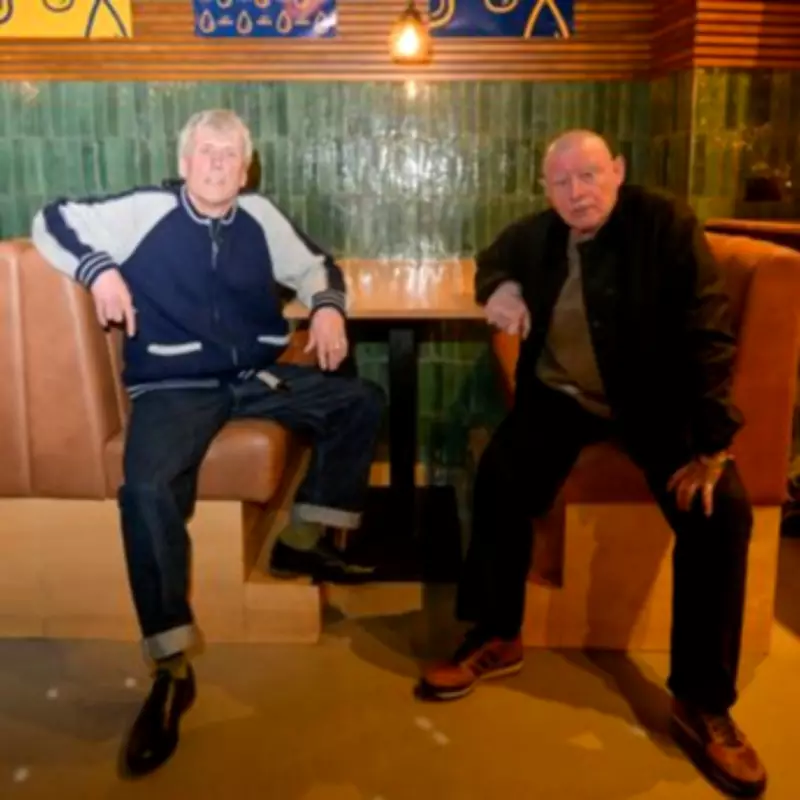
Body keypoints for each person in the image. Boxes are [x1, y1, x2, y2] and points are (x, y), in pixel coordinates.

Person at [31, 109, 384, 777]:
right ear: (184, 162)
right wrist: (101, 271)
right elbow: (52, 219)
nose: (218, 164)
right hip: (174, 384)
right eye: (206, 152)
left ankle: (300, 540)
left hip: (252, 376)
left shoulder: (260, 216)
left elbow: (318, 266)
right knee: (145, 489)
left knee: (360, 402)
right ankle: (170, 667)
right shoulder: (147, 210)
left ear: (246, 170)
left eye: (230, 155)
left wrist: (327, 306)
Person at [417, 130, 767, 798]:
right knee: (500, 476)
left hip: (655, 405)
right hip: (564, 399)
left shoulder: (664, 224)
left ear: (618, 171)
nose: (577, 193)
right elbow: (493, 257)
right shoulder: (539, 234)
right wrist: (501, 288)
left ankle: (702, 702)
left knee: (720, 512)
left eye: (589, 175)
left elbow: (709, 326)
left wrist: (714, 444)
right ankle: (497, 635)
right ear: (546, 190)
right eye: (561, 182)